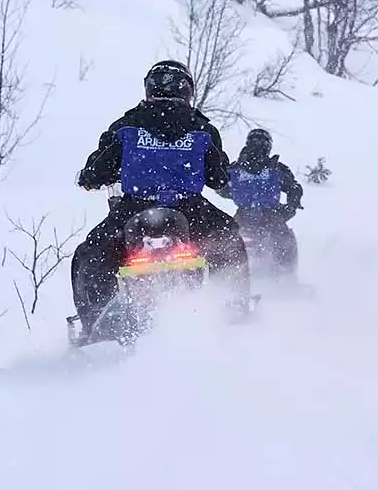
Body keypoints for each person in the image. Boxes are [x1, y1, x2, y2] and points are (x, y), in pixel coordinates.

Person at [70, 60, 250, 339]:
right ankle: (234, 314)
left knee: (90, 255)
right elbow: (220, 179)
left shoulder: (126, 125)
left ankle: (95, 328)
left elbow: (97, 171)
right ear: (187, 90)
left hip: (134, 210)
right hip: (190, 209)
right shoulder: (201, 128)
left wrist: (89, 176)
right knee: (228, 240)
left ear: (149, 88)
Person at [224, 128, 303, 275]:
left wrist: (291, 205)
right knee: (285, 239)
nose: (258, 145)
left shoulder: (236, 168)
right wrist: (291, 205)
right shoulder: (276, 168)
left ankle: (228, 275)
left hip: (254, 214)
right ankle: (286, 275)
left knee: (283, 239)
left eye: (261, 142)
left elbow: (221, 186)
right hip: (264, 215)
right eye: (256, 142)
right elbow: (294, 187)